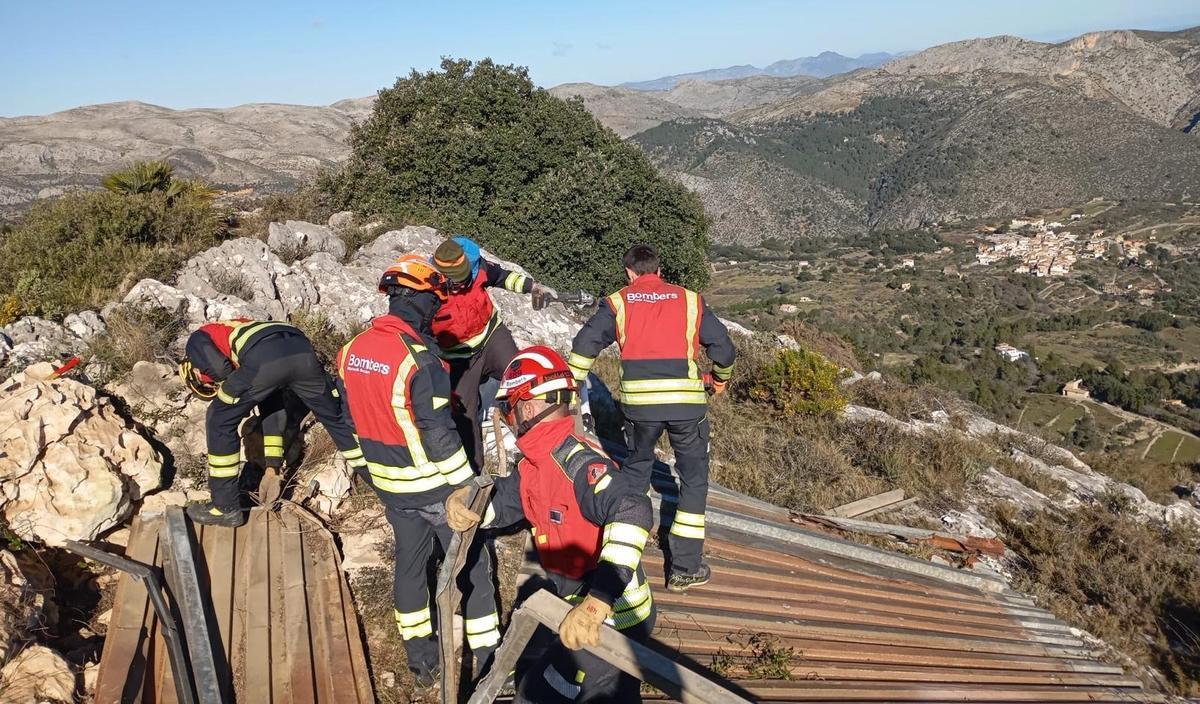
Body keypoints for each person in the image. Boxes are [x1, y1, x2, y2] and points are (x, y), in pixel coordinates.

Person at [446, 346, 654, 703]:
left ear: (526, 408)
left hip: (613, 616)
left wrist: (597, 603)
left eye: (509, 409)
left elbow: (633, 508)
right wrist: (469, 503)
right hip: (579, 603)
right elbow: (510, 500)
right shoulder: (536, 464)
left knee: (545, 693)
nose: (508, 420)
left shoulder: (576, 464)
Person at [336, 254, 500, 687]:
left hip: (390, 489)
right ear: (419, 299)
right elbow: (439, 434)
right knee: (474, 567)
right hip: (433, 489)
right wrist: (467, 487)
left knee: (410, 568)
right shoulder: (421, 360)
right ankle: (488, 664)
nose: (437, 311)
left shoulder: (351, 351)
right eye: (434, 301)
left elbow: (347, 422)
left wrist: (366, 471)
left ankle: (422, 663)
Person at [566, 245, 736, 593]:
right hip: (686, 407)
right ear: (658, 270)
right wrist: (719, 379)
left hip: (640, 409)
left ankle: (621, 556)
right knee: (692, 480)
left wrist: (570, 387)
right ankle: (685, 568)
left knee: (637, 468)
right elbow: (724, 348)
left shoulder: (619, 302)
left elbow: (585, 344)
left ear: (629, 272)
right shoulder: (690, 300)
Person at [179, 319, 366, 527]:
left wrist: (232, 390)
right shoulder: (238, 331)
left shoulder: (197, 339)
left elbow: (221, 370)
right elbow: (273, 411)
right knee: (336, 420)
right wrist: (273, 468)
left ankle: (225, 508)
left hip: (266, 355)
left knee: (219, 419)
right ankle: (378, 481)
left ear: (193, 369)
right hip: (300, 349)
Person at [430, 236, 557, 471]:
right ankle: (474, 471)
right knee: (464, 415)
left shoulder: (478, 269)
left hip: (491, 337)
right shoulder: (429, 290)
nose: (464, 281)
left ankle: (542, 448)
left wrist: (533, 286)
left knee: (523, 380)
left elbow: (503, 277)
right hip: (459, 359)